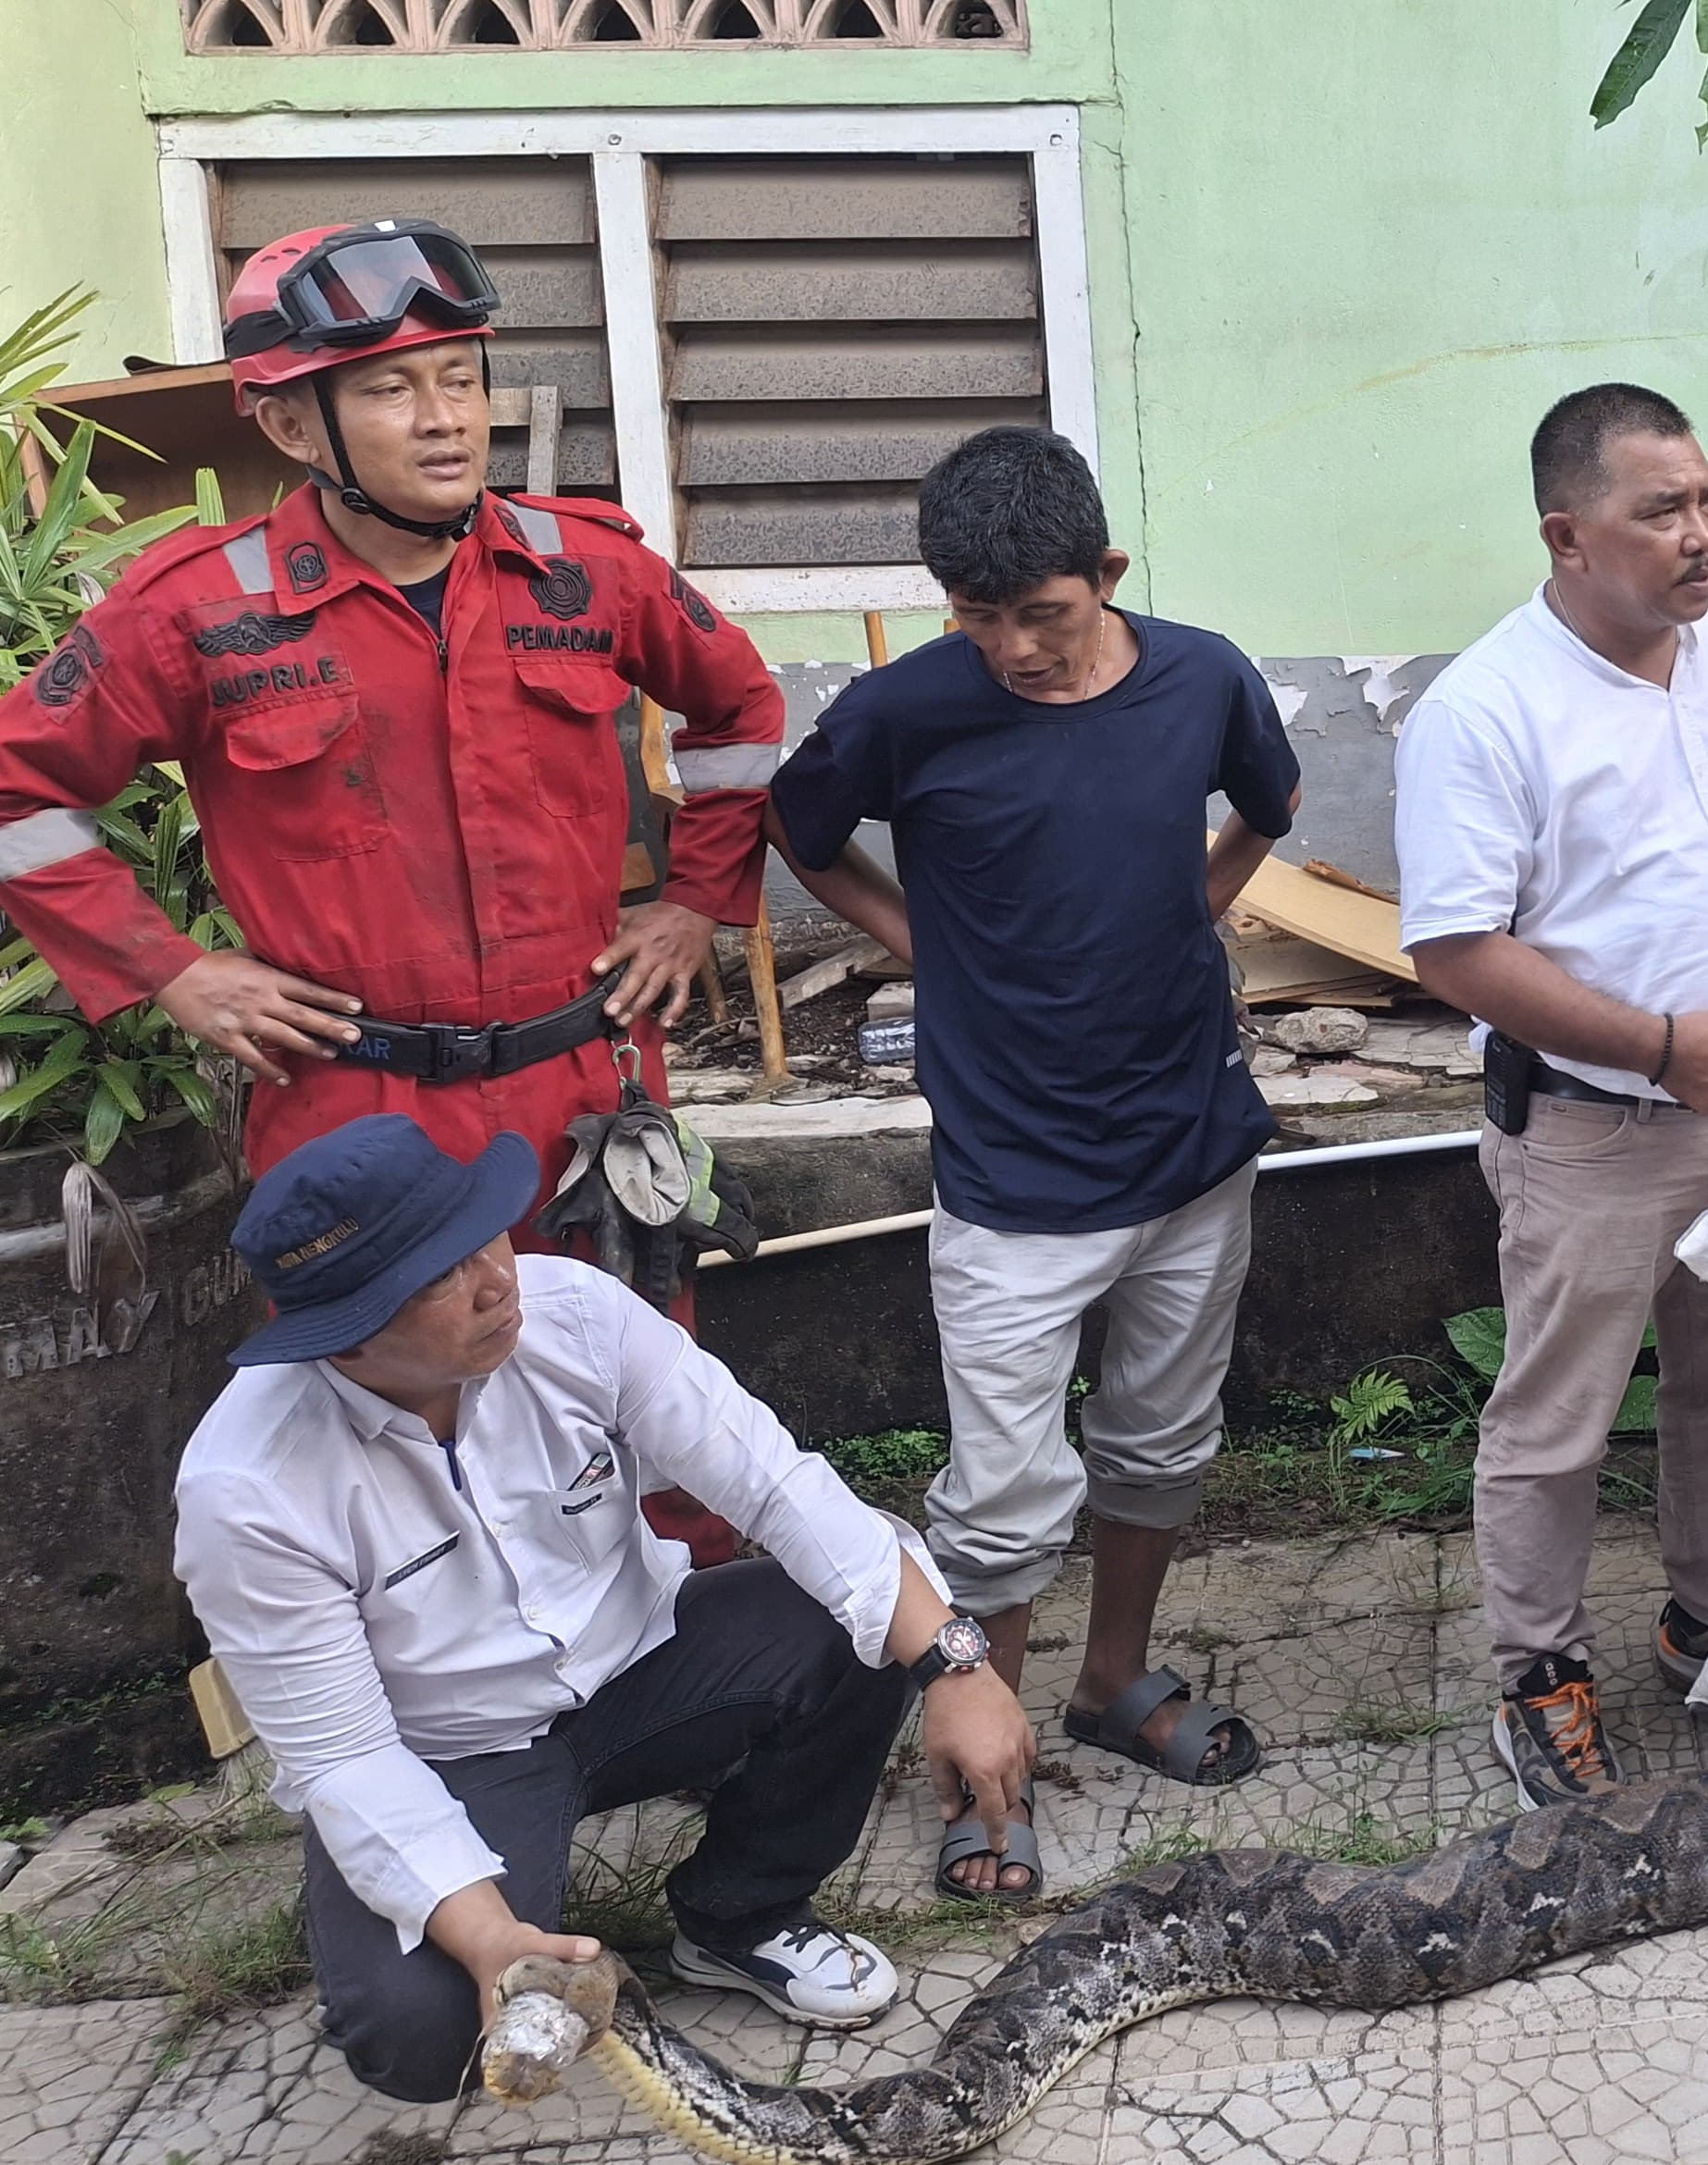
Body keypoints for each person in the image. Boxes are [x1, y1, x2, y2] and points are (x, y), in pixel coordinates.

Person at [0, 218, 786, 1562]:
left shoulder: (585, 568)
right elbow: (22, 791)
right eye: (389, 389)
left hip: (582, 1086)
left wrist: (696, 903)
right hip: (352, 1102)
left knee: (648, 1394)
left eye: (463, 378)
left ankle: (691, 1657)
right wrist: (170, 969)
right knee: (380, 1431)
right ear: (296, 425)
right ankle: (438, 1708)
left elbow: (740, 713)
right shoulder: (199, 609)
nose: (446, 421)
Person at [172, 1115, 1032, 2103]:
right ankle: (418, 1897)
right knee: (425, 2036)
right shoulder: (249, 1488)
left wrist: (958, 1668)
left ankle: (738, 1916)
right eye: (437, 1278)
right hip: (454, 1754)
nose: (495, 1280)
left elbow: (776, 1485)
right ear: (348, 1332)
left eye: (481, 1236)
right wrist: (492, 1939)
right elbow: (344, 1755)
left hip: (644, 1666)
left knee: (859, 1621)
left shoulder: (572, 1313)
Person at [770, 427, 1299, 1898]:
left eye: (1041, 615)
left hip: (1193, 1146)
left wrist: (1198, 903)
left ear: (1107, 576)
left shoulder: (1204, 677)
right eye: (976, 617)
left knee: (1160, 1442)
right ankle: (979, 1753)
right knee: (1001, 1496)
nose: (1008, 648)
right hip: (1013, 1175)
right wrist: (920, 943)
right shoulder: (904, 711)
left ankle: (1111, 1683)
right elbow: (803, 834)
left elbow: (1274, 798)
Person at [1393, 383, 1708, 1803]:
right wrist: (1665, 1047)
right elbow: (1455, 951)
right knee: (1557, 1415)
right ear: (1567, 535)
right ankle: (1536, 1671)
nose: (1702, 534)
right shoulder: (1487, 711)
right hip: (1601, 1127)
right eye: (1660, 510)